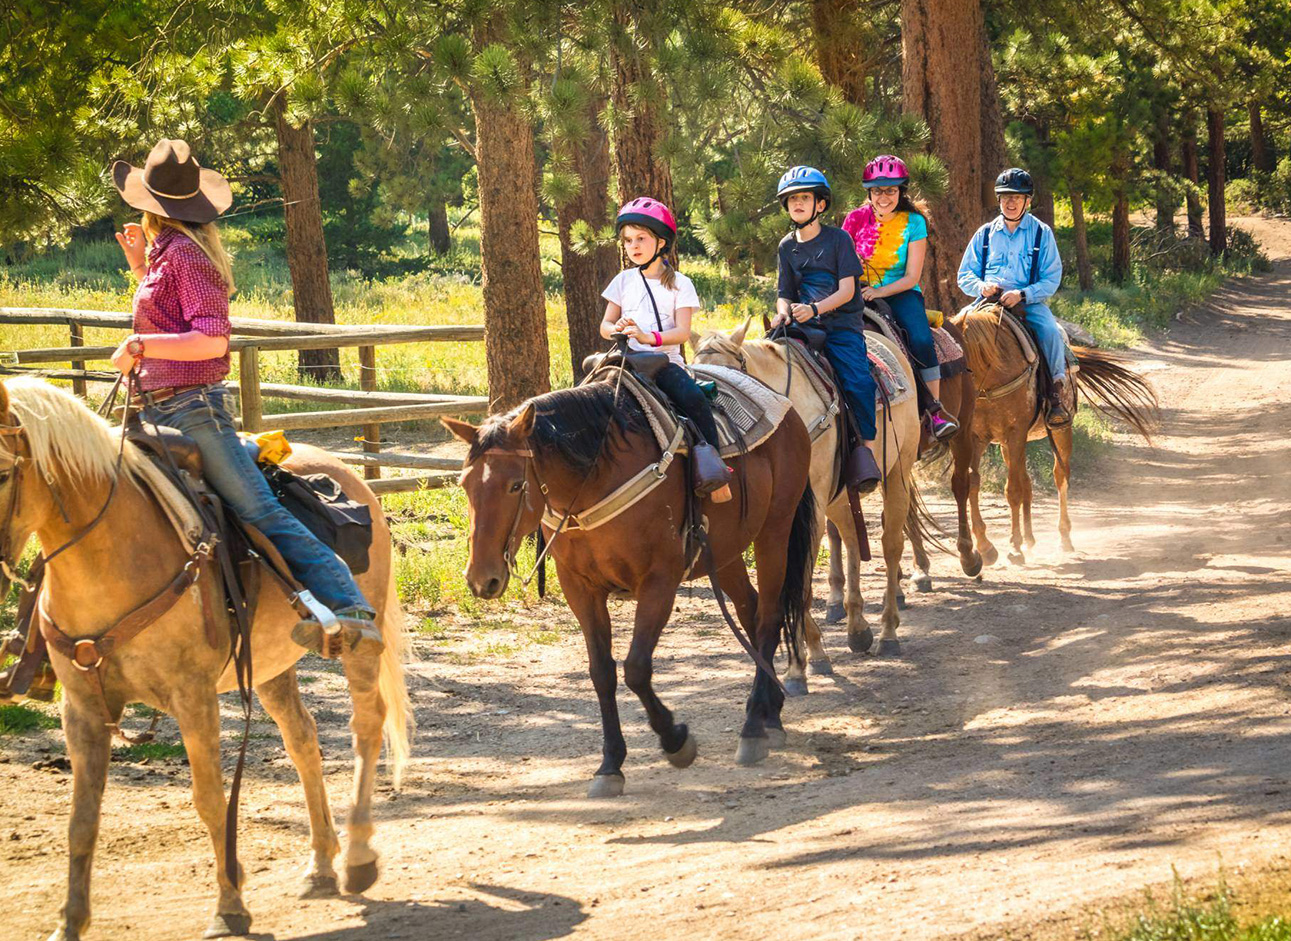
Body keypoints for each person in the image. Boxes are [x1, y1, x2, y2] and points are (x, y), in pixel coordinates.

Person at [109, 138, 382, 655]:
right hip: (160, 405)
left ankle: (350, 607)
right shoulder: (170, 254)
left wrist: (140, 343)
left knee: (259, 510)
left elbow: (212, 339)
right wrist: (141, 269)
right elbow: (173, 317)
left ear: (151, 206)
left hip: (191, 410)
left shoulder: (187, 256)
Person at [600, 197, 732, 498]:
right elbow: (604, 325)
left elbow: (683, 332)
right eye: (628, 240)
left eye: (641, 239)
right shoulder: (622, 280)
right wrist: (615, 330)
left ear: (661, 242)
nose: (633, 246)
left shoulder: (680, 284)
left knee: (693, 400)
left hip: (664, 364)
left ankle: (715, 470)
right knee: (583, 394)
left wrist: (649, 338)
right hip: (624, 361)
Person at [771, 166, 883, 493]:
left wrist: (815, 309)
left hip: (839, 326)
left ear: (820, 204)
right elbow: (784, 293)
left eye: (805, 198)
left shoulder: (838, 239)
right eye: (792, 200)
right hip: (802, 324)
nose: (798, 204)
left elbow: (848, 290)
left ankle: (866, 452)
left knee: (859, 382)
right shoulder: (786, 246)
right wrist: (783, 314)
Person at [842, 154, 958, 440]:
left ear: (900, 192)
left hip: (901, 292)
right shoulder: (854, 219)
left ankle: (935, 412)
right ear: (869, 192)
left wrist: (878, 291)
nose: (884, 197)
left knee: (919, 339)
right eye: (878, 190)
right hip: (855, 293)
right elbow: (840, 261)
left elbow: (912, 277)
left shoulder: (914, 222)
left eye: (891, 190)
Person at [957, 167, 1071, 427]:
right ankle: (950, 398)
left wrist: (1023, 293)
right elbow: (964, 275)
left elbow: (1051, 278)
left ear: (1027, 201)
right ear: (998, 200)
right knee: (955, 330)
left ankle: (1055, 394)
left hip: (1026, 304)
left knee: (1050, 331)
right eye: (1006, 197)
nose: (1011, 202)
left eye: (1017, 197)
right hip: (986, 303)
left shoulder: (1042, 233)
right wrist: (982, 287)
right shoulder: (984, 234)